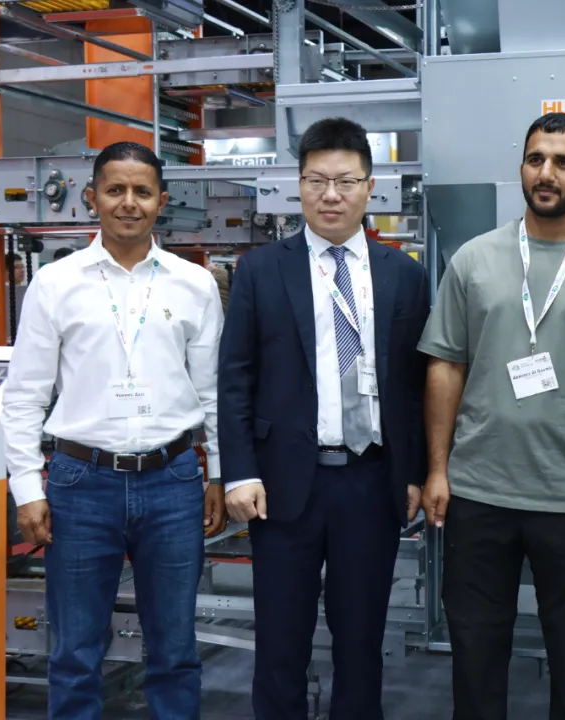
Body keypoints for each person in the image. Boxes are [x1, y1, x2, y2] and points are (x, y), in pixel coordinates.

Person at [418, 112, 565, 720]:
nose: (546, 173)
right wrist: (438, 470)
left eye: (564, 162)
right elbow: (445, 366)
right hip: (479, 491)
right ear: (521, 167)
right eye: (536, 158)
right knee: (475, 649)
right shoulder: (473, 260)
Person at [0, 141, 227, 720]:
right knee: (75, 651)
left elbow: (213, 392)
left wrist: (219, 474)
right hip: (80, 482)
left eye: (142, 192)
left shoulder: (194, 284)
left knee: (174, 649)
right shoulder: (55, 283)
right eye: (115, 190)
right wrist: (26, 488)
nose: (129, 203)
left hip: (173, 480)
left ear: (161, 202)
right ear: (92, 197)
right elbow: (24, 395)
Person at [218, 117, 430, 720]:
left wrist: (414, 472)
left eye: (345, 181)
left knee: (361, 637)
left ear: (370, 187)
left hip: (371, 480)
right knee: (279, 638)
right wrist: (239, 472)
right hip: (283, 483)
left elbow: (415, 387)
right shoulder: (261, 269)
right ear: (299, 185)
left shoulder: (404, 275)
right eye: (316, 181)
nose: (330, 195)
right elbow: (235, 377)